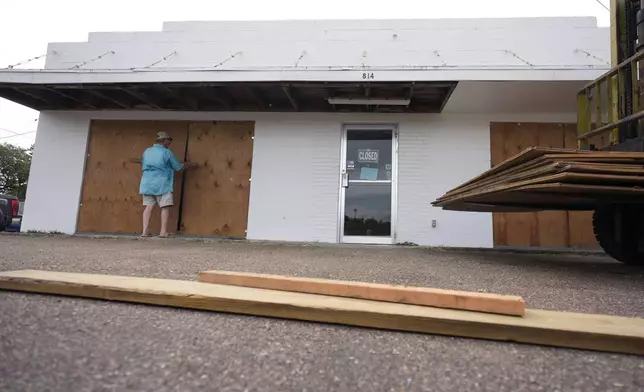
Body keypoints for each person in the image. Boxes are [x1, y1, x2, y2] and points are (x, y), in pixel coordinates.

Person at [139, 131, 196, 237]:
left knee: (148, 206)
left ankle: (144, 231)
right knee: (165, 206)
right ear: (164, 141)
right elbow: (178, 167)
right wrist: (189, 165)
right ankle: (163, 232)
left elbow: (144, 163)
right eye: (169, 140)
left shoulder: (147, 151)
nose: (169, 143)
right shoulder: (166, 152)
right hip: (162, 183)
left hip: (147, 183)